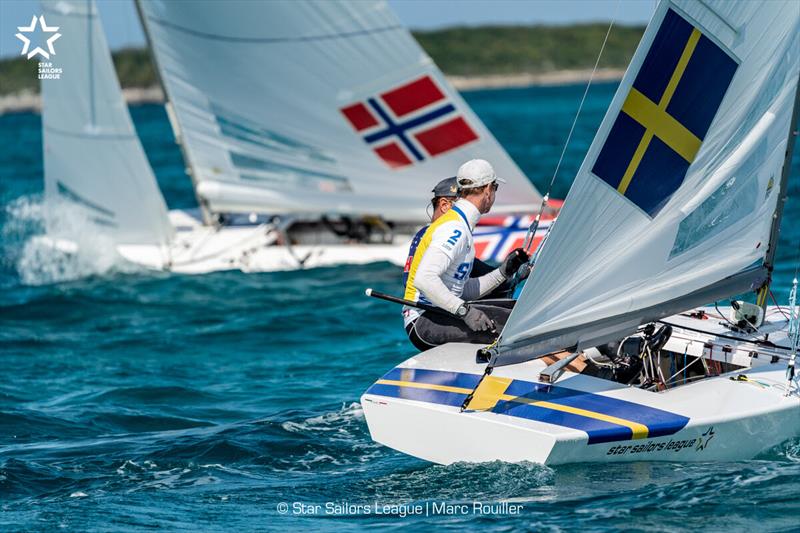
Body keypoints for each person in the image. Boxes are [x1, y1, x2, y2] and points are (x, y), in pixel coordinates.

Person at [402, 159, 530, 351]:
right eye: (495, 188)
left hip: (440, 313)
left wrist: (503, 272)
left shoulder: (461, 225)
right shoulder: (455, 229)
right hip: (424, 320)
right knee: (524, 328)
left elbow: (462, 290)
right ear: (487, 189)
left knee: (525, 313)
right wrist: (465, 311)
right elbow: (424, 279)